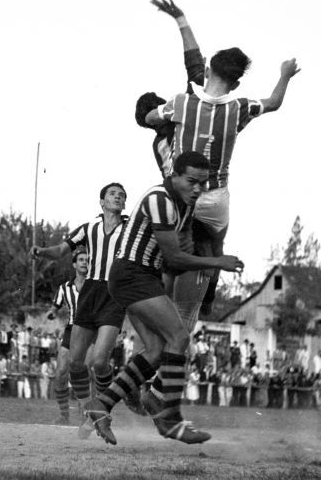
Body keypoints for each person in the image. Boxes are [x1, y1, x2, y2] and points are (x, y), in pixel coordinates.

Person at [142, 0, 301, 328]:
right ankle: (210, 291)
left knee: (169, 249)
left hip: (179, 193)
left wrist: (154, 115)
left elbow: (151, 114)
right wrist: (285, 74)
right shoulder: (239, 107)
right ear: (237, 83)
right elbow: (272, 103)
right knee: (216, 243)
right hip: (214, 196)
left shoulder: (180, 104)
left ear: (209, 71)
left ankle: (158, 286)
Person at [82, 152, 245, 446]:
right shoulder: (160, 200)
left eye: (202, 184)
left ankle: (102, 404)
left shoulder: (182, 207)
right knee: (180, 338)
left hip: (140, 278)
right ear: (175, 176)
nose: (197, 189)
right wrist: (218, 261)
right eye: (191, 181)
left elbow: (171, 263)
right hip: (133, 275)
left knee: (156, 350)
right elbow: (174, 257)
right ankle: (167, 417)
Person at [32, 182, 129, 436]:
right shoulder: (88, 229)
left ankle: (102, 408)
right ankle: (91, 413)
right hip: (89, 293)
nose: (117, 197)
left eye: (121, 196)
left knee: (99, 361)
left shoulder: (130, 229)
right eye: (112, 194)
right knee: (75, 362)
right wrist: (42, 252)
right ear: (102, 202)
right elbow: (62, 250)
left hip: (114, 294)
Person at [46, 249, 89, 424]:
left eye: (87, 260)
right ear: (74, 264)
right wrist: (51, 313)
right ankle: (64, 415)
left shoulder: (96, 285)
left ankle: (87, 413)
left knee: (87, 371)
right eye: (81, 259)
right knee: (61, 372)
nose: (84, 262)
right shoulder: (64, 288)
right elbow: (54, 306)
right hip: (72, 329)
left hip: (90, 329)